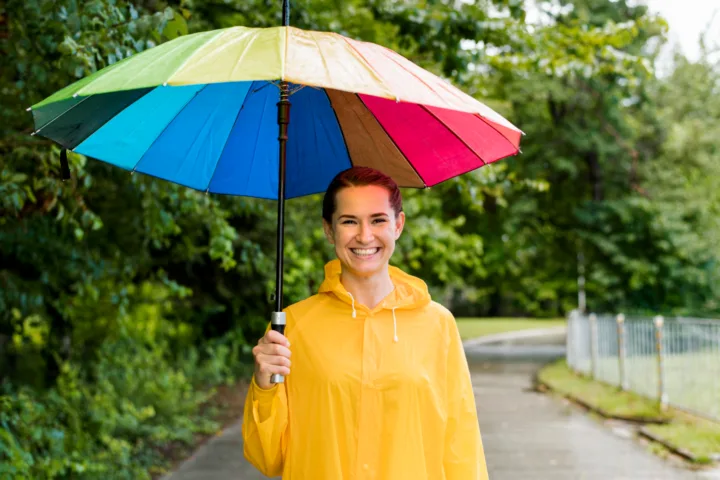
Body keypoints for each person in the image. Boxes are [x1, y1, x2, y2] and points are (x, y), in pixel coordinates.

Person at [241, 166, 488, 479]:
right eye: (349, 221)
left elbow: (461, 445)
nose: (365, 236)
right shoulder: (292, 328)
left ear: (398, 224)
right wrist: (264, 386)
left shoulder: (437, 324)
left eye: (378, 220)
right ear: (329, 230)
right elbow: (268, 458)